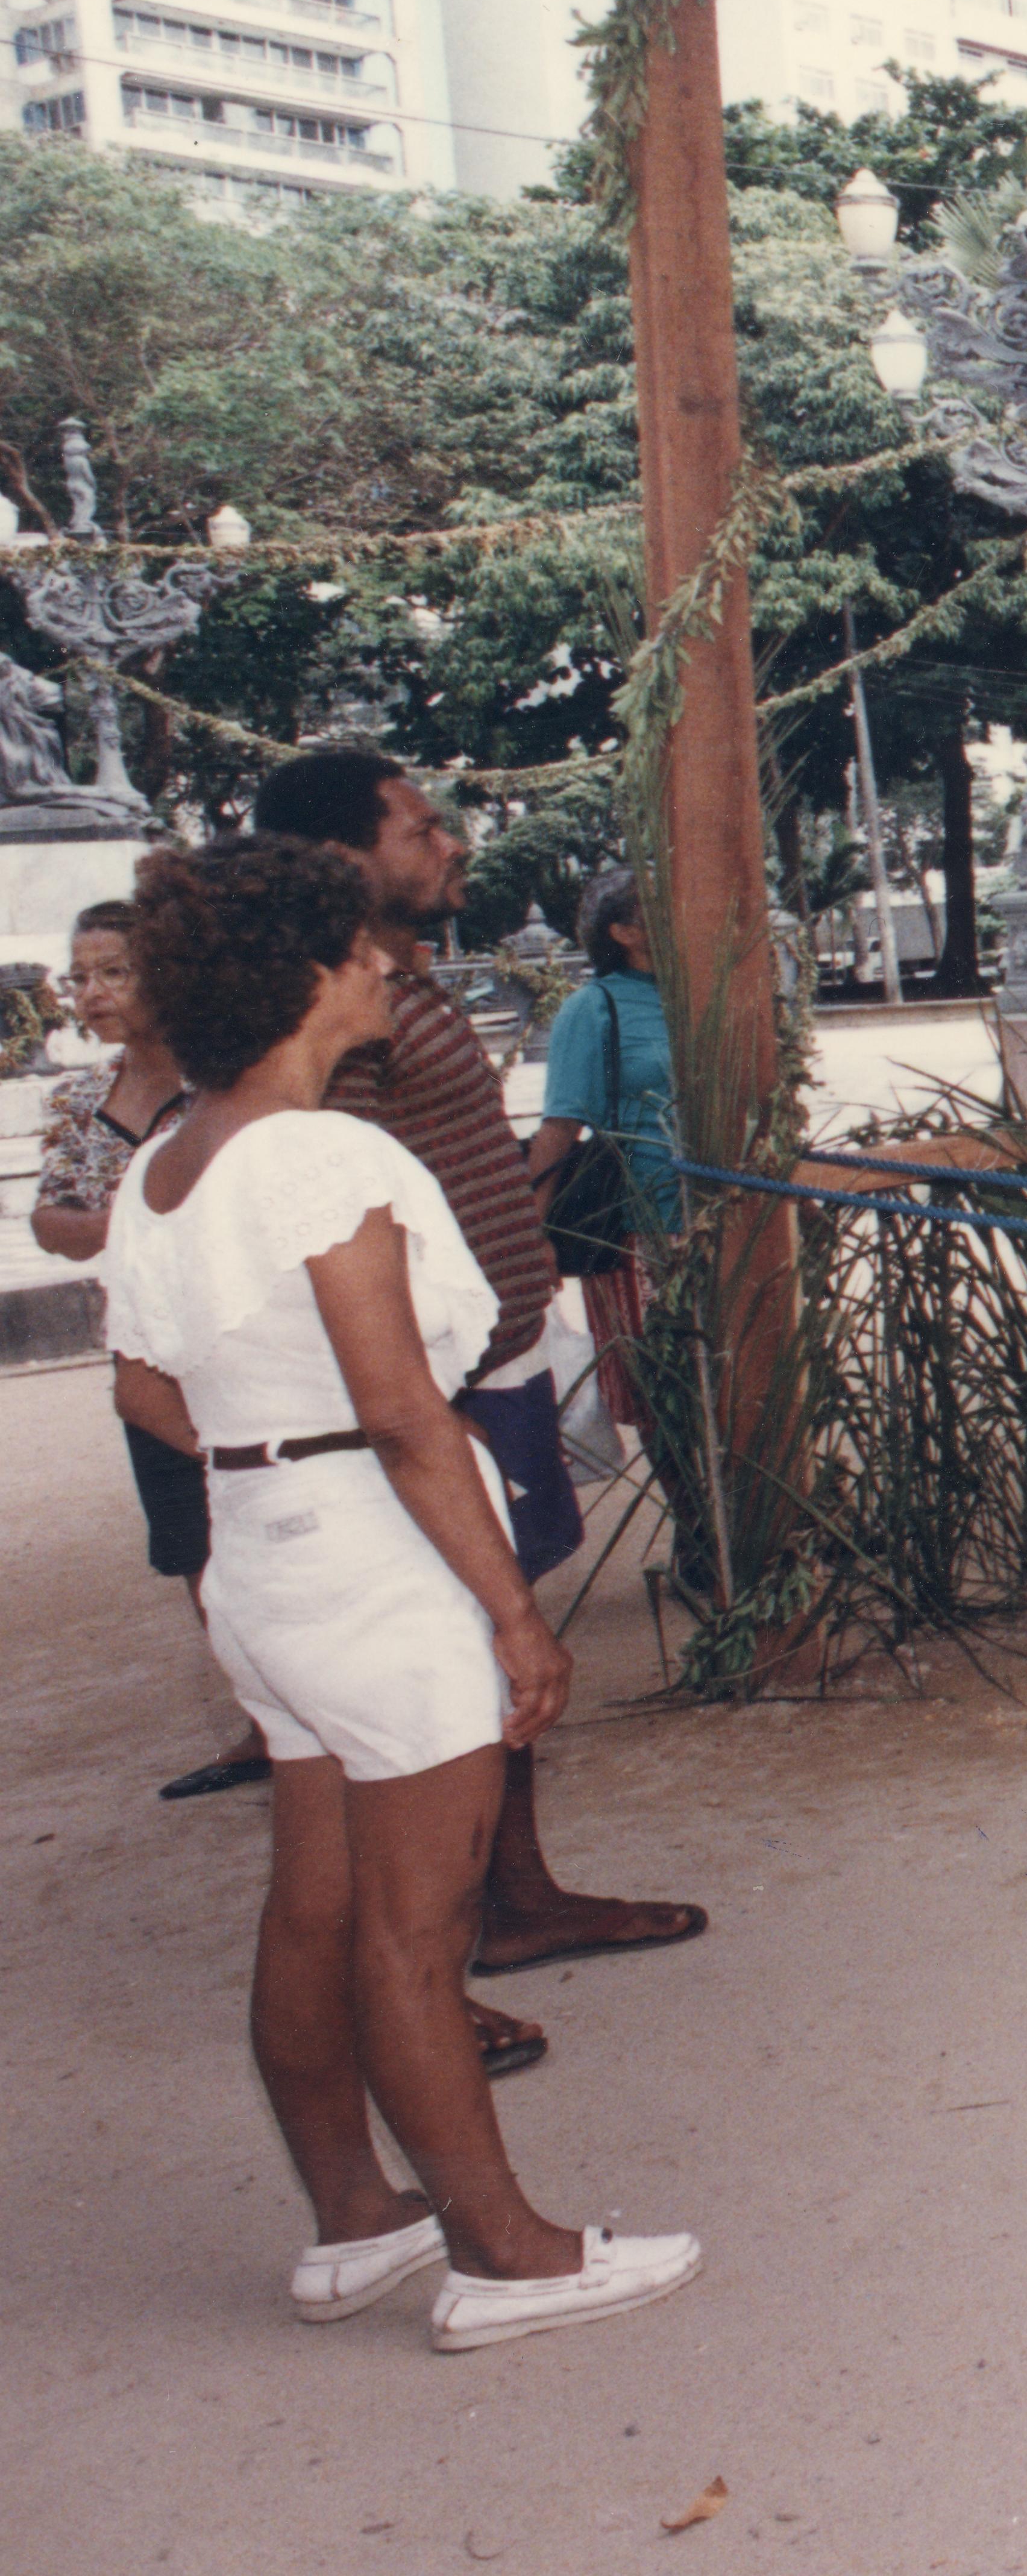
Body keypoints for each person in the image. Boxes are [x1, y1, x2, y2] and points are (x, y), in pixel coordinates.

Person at [101, 837, 699, 2347]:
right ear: (309, 971)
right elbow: (409, 1416)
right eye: (365, 943)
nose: (390, 962)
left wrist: (271, 1452)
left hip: (262, 1554)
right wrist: (508, 1612)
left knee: (314, 1906)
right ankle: (509, 2255)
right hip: (372, 1552)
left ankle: (353, 2222)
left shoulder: (170, 1160)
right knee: (415, 1933)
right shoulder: (324, 1157)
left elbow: (147, 1392)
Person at [245, 750, 706, 1990]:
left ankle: (510, 1899)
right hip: (422, 1392)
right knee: (446, 1668)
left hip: (485, 1361)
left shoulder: (398, 979)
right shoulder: (326, 1009)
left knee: (486, 1654)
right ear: (344, 856)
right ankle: (422, 1974)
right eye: (421, 823)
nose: (451, 841)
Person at [31, 899, 268, 1801]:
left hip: (240, 1341)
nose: (89, 993)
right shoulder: (77, 1102)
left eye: (113, 972)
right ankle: (261, 1723)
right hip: (147, 1352)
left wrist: (131, 1219)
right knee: (194, 1546)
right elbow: (51, 1217)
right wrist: (118, 1223)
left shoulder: (229, 1086)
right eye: (79, 974)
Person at [526, 868, 677, 1434]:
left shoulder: (708, 996)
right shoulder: (594, 1009)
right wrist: (534, 1236)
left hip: (730, 1220)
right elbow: (559, 1130)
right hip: (639, 1237)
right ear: (624, 933)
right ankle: (697, 1523)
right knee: (667, 1406)